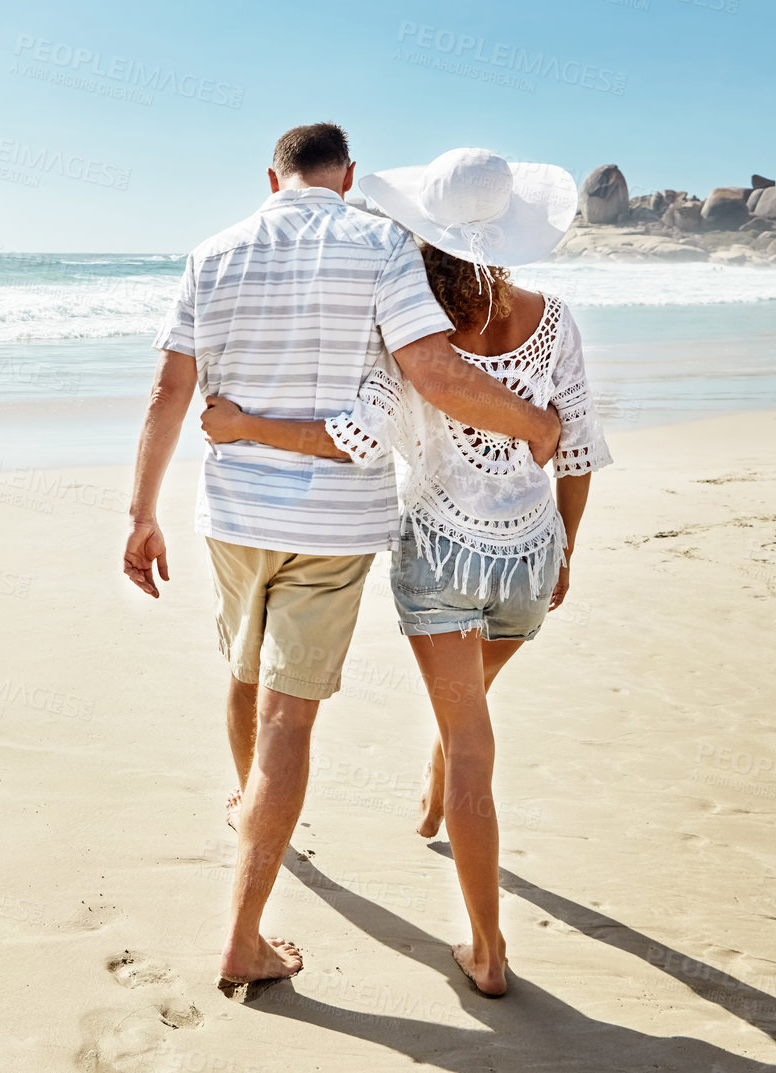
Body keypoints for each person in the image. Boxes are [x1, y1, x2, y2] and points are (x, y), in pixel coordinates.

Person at [123, 125, 562, 1000]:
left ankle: (249, 805)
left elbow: (170, 389)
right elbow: (430, 370)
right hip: (328, 524)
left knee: (245, 668)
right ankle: (242, 938)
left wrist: (140, 513)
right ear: (348, 176)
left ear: (272, 177)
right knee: (290, 715)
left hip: (231, 513)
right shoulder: (380, 241)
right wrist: (534, 423)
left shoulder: (210, 253)